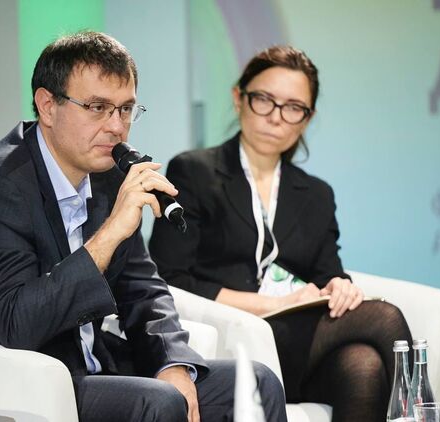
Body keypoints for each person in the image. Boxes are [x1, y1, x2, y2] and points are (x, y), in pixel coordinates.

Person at [0, 31, 287, 422]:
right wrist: (111, 233)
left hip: (87, 363)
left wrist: (173, 363)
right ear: (47, 106)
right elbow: (18, 324)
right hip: (19, 378)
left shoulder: (107, 175)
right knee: (159, 402)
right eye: (98, 108)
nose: (117, 127)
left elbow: (143, 289)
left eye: (126, 109)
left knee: (255, 382)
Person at [149, 45, 412, 422]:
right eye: (264, 100)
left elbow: (328, 274)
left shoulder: (315, 194)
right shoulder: (194, 172)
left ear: (307, 118)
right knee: (384, 317)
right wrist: (272, 305)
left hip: (299, 349)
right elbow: (170, 278)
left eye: (293, 107)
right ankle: (426, 410)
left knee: (363, 364)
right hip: (228, 336)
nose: (276, 117)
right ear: (239, 98)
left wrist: (340, 287)